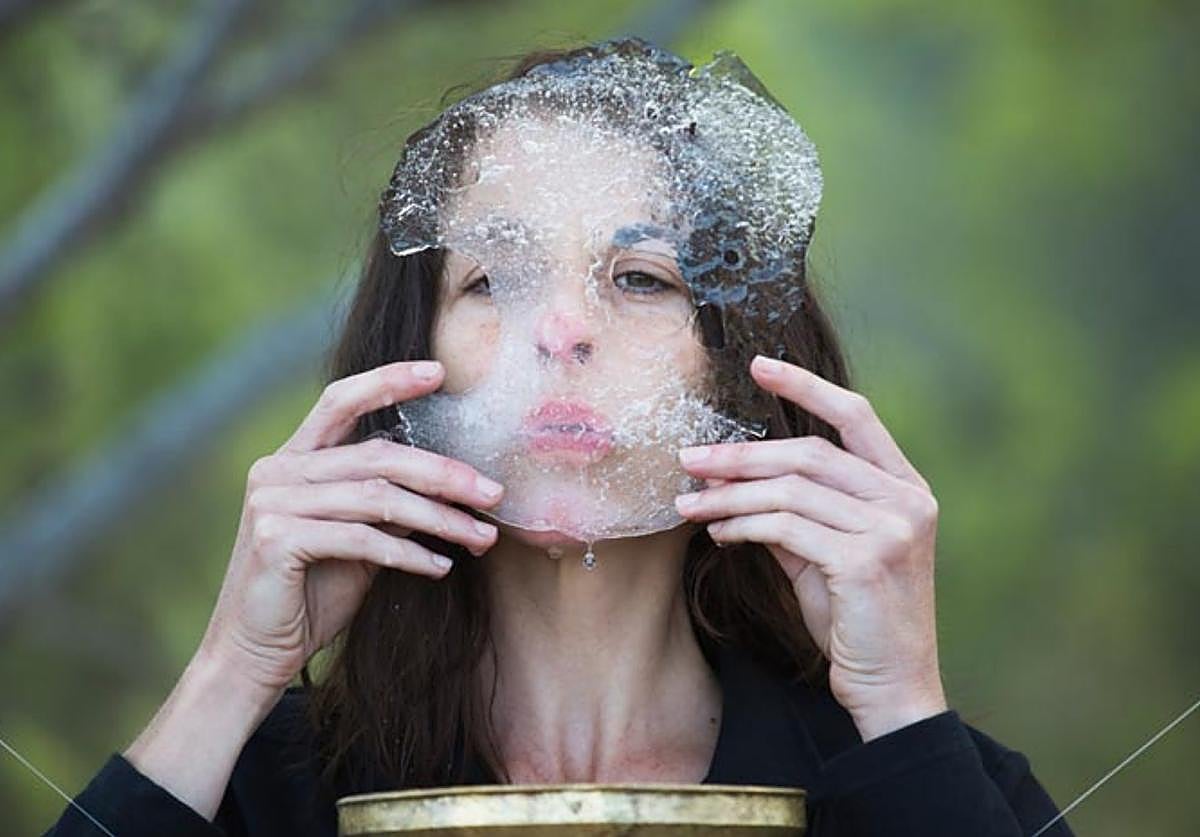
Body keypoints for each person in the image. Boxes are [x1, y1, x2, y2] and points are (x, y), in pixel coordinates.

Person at [45, 39, 1073, 837]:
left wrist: (899, 703)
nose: (562, 328)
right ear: (412, 356)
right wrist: (232, 668)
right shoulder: (259, 792)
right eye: (493, 277)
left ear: (741, 366)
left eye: (641, 279)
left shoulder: (919, 777)